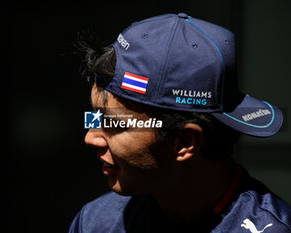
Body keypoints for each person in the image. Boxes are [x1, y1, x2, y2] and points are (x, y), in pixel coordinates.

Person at [69, 13, 291, 232]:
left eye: (115, 124)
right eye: (95, 116)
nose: (90, 138)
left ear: (184, 143)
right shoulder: (96, 222)